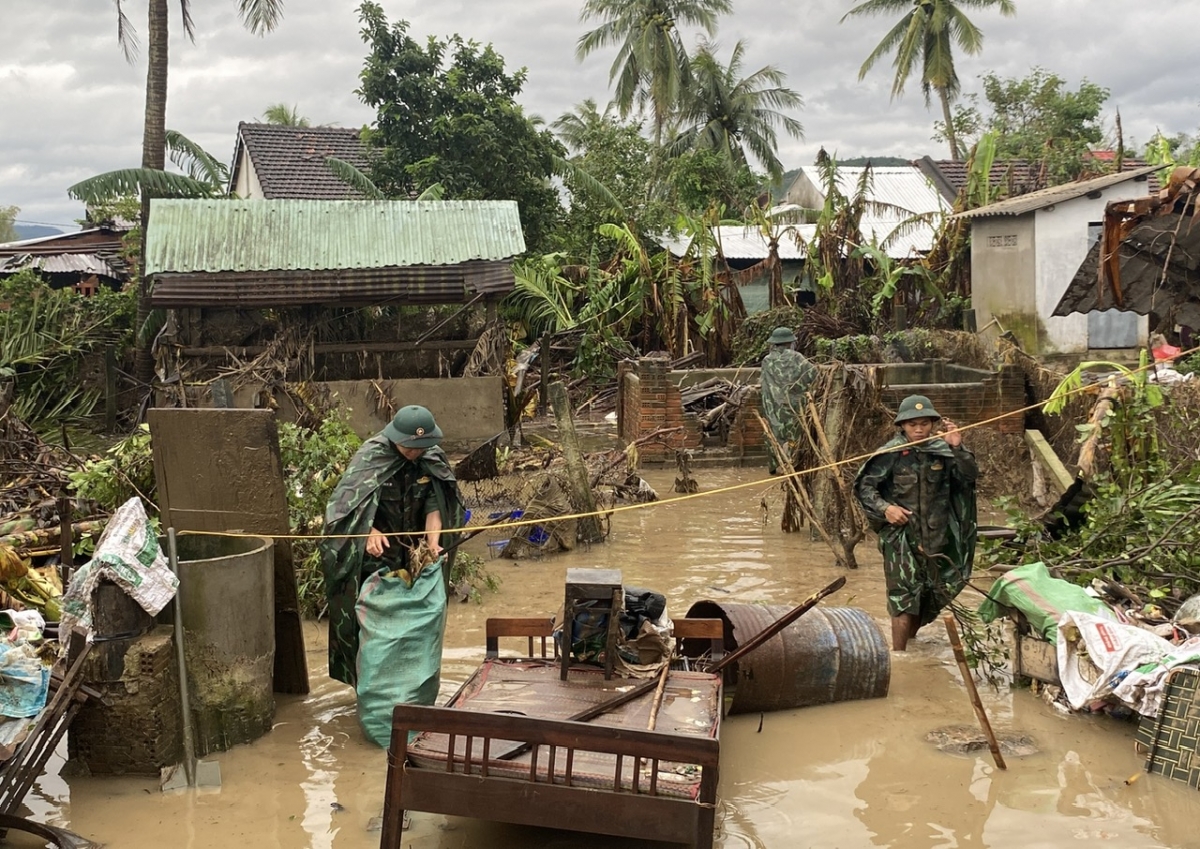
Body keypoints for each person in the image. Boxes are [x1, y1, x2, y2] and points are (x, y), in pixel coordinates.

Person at [319, 405, 463, 686]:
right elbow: (341, 509)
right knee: (375, 624)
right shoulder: (372, 457)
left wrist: (433, 544)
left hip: (414, 555)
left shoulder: (431, 458)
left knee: (416, 620)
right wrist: (367, 531)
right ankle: (371, 686)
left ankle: (410, 683)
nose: (415, 452)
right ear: (396, 438)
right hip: (375, 557)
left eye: (421, 446)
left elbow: (437, 504)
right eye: (410, 447)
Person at [854, 395, 978, 651]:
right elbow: (864, 486)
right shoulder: (891, 454)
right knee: (902, 597)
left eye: (924, 423)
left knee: (931, 593)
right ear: (902, 426)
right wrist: (885, 508)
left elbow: (968, 478)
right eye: (912, 424)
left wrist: (958, 447)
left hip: (936, 537)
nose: (919, 429)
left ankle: (912, 644)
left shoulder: (943, 451)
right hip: (901, 538)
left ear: (933, 424)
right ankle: (899, 657)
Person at [760, 326, 817, 474]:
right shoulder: (796, 357)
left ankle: (774, 466)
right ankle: (794, 465)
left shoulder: (767, 360)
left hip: (774, 406)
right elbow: (813, 374)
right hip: (794, 405)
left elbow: (765, 386)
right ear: (789, 342)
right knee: (795, 436)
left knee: (773, 434)